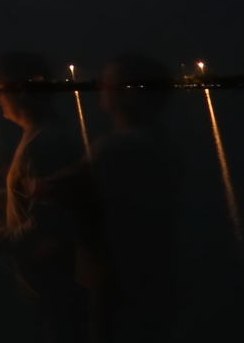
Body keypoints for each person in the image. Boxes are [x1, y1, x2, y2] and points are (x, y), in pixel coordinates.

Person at [0, 51, 102, 341]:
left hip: (58, 288)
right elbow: (22, 201)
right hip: (49, 286)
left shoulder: (43, 145)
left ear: (20, 90)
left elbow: (45, 228)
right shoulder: (39, 137)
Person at [89, 52, 180, 341]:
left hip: (117, 278)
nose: (99, 86)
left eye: (107, 81)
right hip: (157, 275)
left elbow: (56, 194)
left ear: (129, 93)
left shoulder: (115, 148)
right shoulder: (161, 141)